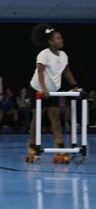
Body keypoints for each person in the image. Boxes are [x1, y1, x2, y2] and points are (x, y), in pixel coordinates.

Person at [25, 24, 79, 163]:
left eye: (61, 38)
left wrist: (74, 86)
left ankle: (60, 149)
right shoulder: (44, 54)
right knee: (37, 118)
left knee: (55, 118)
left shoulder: (63, 55)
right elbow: (40, 72)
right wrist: (43, 89)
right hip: (37, 88)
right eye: (58, 38)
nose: (61, 40)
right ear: (50, 41)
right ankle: (31, 147)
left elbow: (66, 71)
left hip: (53, 91)